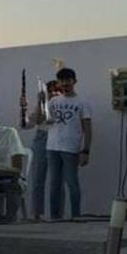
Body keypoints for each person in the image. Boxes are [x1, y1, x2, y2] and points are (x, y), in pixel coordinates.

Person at [43, 67, 92, 220]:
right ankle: (55, 216)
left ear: (74, 81)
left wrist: (86, 150)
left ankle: (76, 215)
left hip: (71, 148)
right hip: (52, 147)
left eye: (68, 80)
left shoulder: (82, 102)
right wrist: (40, 101)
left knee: (72, 183)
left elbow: (87, 128)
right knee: (54, 184)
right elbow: (40, 119)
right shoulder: (53, 101)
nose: (65, 83)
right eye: (62, 80)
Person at [23, 80, 60, 221]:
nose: (54, 93)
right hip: (42, 137)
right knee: (38, 178)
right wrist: (26, 108)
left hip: (58, 139)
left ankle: (57, 215)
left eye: (57, 90)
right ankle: (37, 214)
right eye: (50, 91)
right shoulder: (41, 106)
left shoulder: (63, 105)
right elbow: (28, 124)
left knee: (57, 180)